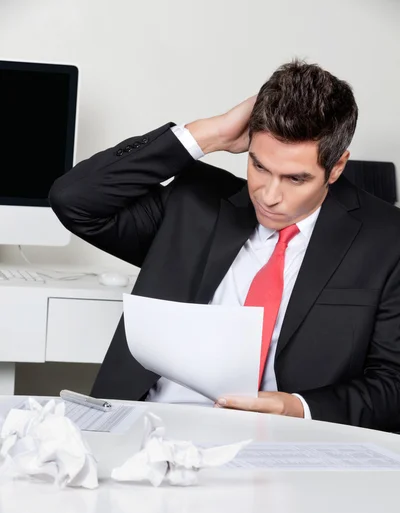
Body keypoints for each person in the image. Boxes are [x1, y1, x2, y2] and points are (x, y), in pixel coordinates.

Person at [49, 60, 400, 431]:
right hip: (144, 429)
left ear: (337, 167)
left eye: (296, 178)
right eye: (259, 166)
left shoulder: (386, 239)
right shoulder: (194, 204)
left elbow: (392, 383)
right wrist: (208, 135)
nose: (269, 195)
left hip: (282, 446)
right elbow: (74, 199)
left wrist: (295, 408)